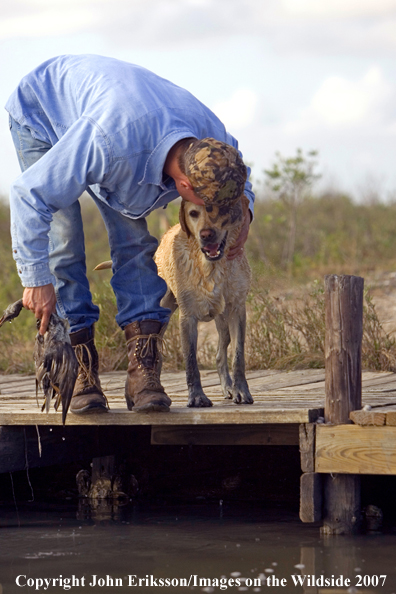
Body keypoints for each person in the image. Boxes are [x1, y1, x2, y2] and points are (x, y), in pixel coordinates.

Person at [5, 54, 255, 415]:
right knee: (64, 240)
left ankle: (144, 369)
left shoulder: (209, 134)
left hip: (120, 116)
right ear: (184, 184)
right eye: (211, 205)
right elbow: (30, 195)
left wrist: (245, 207)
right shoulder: (109, 145)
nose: (217, 217)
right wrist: (36, 280)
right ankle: (80, 369)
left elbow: (239, 167)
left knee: (134, 240)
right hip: (43, 113)